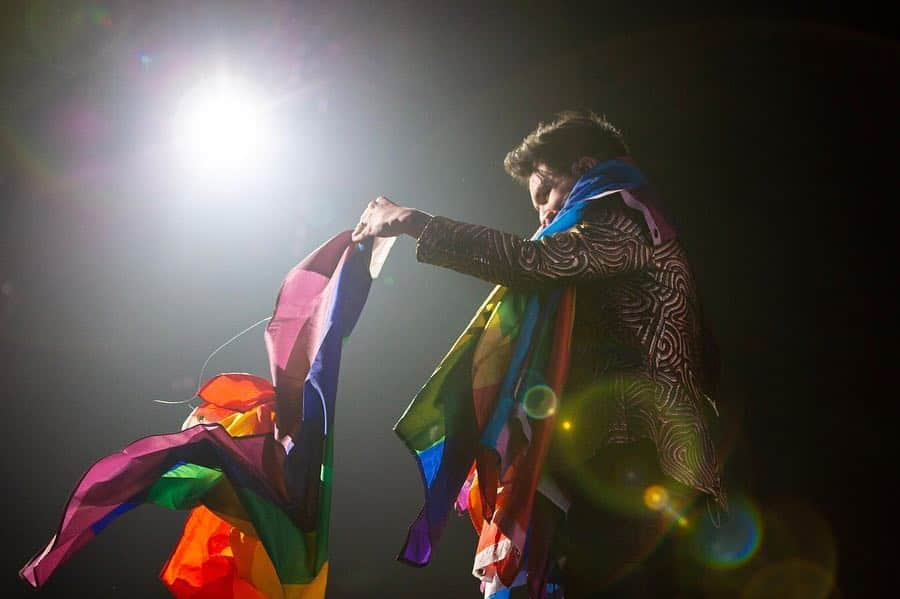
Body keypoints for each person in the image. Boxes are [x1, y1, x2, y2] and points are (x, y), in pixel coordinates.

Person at [352, 111, 724, 597]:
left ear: (587, 167)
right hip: (622, 470)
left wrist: (413, 222)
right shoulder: (628, 230)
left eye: (546, 193)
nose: (544, 217)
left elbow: (539, 260)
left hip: (645, 465)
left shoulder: (624, 214)